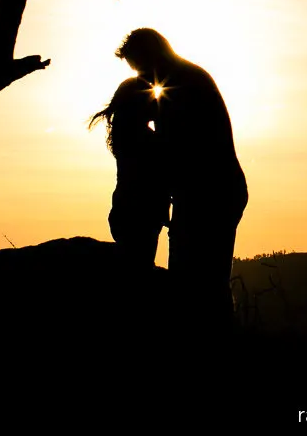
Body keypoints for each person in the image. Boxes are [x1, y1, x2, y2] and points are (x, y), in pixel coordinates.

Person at [110, 28, 248, 324]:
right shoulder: (183, 81)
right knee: (202, 281)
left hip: (212, 194)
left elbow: (177, 151)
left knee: (200, 282)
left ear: (152, 56)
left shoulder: (184, 87)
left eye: (140, 67)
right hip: (207, 193)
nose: (140, 75)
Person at [90, 74, 169, 269]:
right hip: (140, 215)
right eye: (152, 97)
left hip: (126, 213)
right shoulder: (145, 140)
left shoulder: (126, 136)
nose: (157, 101)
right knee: (140, 269)